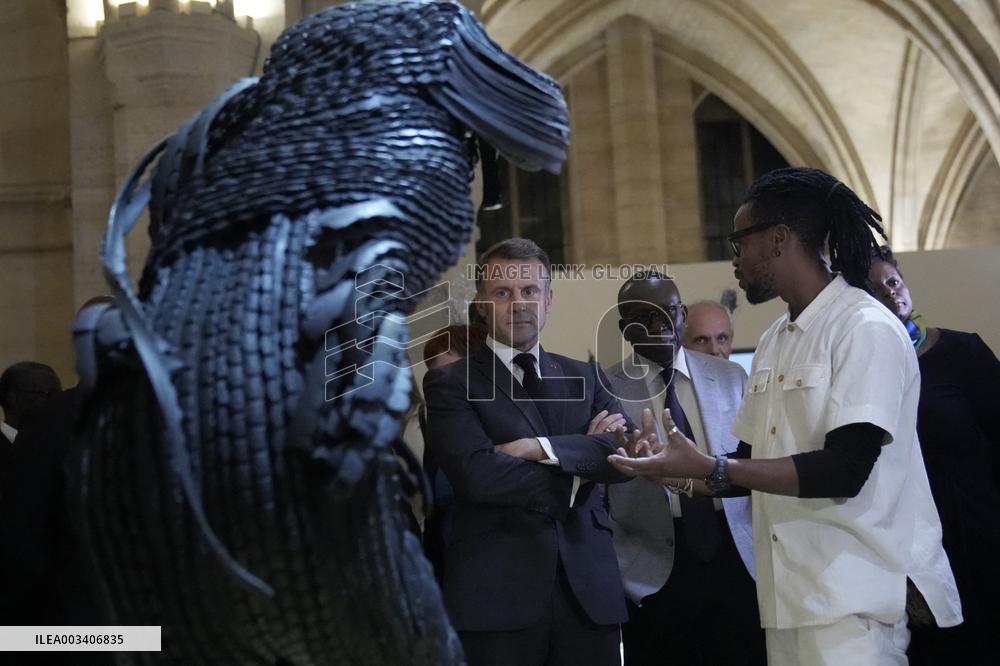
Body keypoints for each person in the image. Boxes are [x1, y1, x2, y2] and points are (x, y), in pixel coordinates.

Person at [608, 167, 962, 666]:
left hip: (851, 598)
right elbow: (749, 464)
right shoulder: (776, 338)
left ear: (778, 239)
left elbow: (845, 468)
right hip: (784, 598)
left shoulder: (863, 327)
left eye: (739, 241)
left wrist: (711, 468)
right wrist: (673, 470)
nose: (735, 258)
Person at [423, 237, 644, 666]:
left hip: (588, 595)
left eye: (530, 291)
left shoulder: (584, 375)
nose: (518, 304)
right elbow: (478, 476)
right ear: (482, 303)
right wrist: (580, 468)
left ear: (549, 300)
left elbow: (627, 453)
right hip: (497, 597)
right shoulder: (450, 383)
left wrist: (534, 448)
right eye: (503, 292)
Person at [605, 272, 765, 665]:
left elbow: (756, 461)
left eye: (668, 314)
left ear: (683, 315)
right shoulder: (602, 389)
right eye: (645, 318)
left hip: (736, 554)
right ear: (626, 329)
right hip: (651, 565)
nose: (659, 326)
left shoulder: (732, 377)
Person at [869, 245, 1000, 665]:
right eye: (876, 291)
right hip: (913, 547)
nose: (891, 293)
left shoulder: (963, 352)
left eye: (893, 281)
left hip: (979, 530)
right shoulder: (865, 372)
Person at [0, 361, 61, 450]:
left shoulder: (58, 447)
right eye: (48, 394)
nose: (57, 402)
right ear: (12, 398)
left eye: (59, 395)